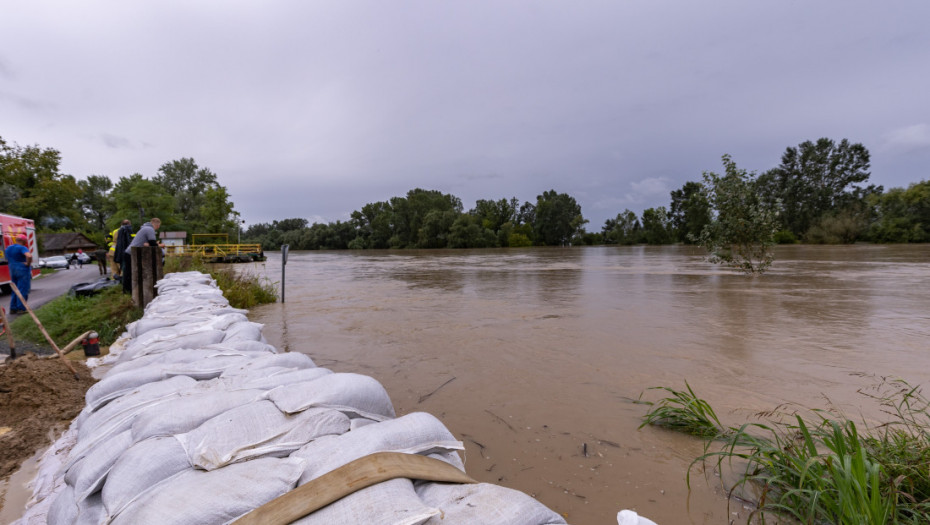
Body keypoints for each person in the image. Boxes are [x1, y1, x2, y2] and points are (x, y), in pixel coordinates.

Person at [123, 218, 163, 294]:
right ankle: (128, 290)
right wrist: (160, 245)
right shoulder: (150, 229)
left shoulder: (145, 228)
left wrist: (150, 244)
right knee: (130, 273)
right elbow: (152, 244)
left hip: (130, 252)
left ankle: (127, 290)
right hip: (132, 253)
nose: (158, 227)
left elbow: (147, 243)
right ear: (157, 225)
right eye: (159, 226)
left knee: (129, 272)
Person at [4, 235, 33, 314]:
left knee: (15, 289)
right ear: (23, 241)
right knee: (23, 289)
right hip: (22, 270)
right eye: (26, 241)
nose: (26, 242)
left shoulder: (8, 248)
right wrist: (28, 263)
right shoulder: (22, 248)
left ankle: (13, 308)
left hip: (12, 269)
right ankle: (21, 308)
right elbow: (29, 256)